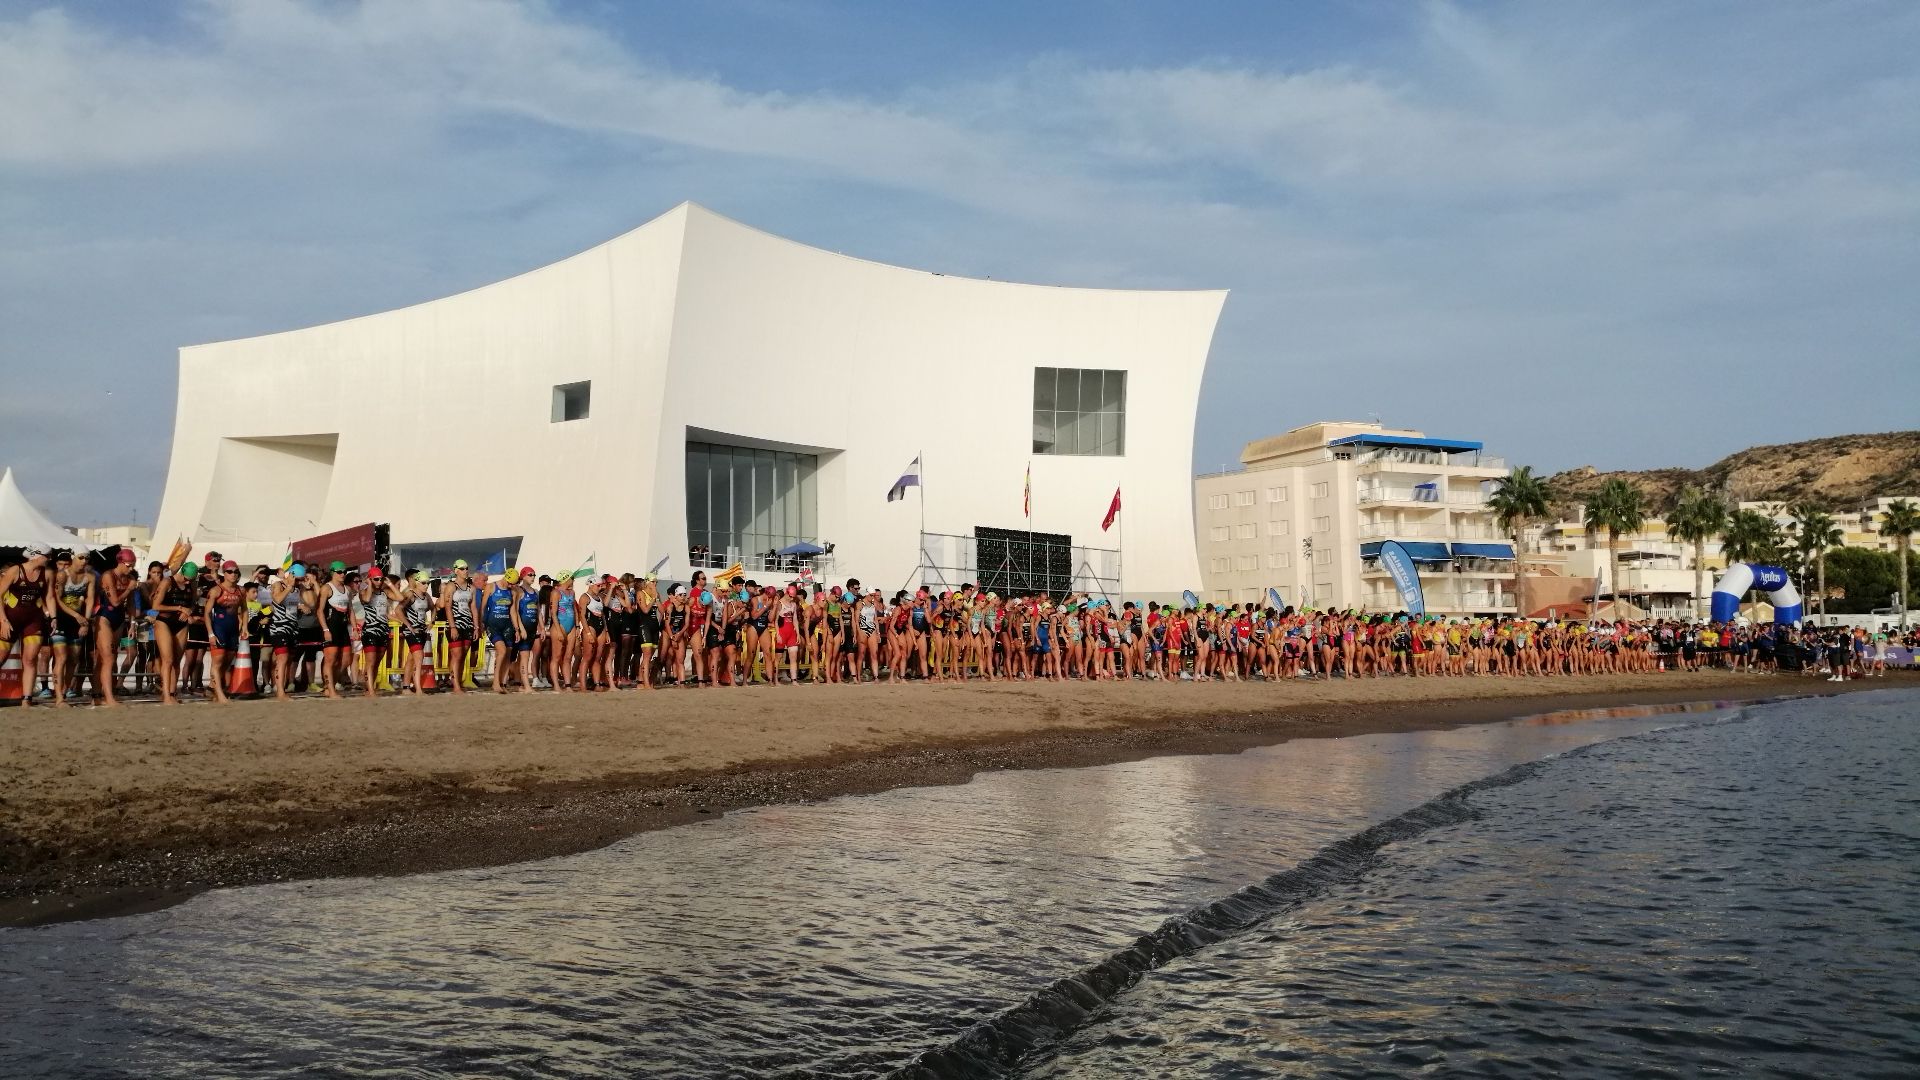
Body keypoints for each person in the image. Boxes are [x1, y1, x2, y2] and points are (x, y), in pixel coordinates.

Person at [204, 560, 246, 704]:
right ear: (224, 573)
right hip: (219, 628)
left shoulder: (241, 590)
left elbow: (244, 609)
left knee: (226, 662)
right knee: (218, 661)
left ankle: (214, 689)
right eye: (229, 571)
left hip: (233, 629)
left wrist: (244, 626)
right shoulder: (217, 590)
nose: (233, 574)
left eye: (235, 572)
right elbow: (207, 613)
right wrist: (210, 633)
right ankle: (220, 694)